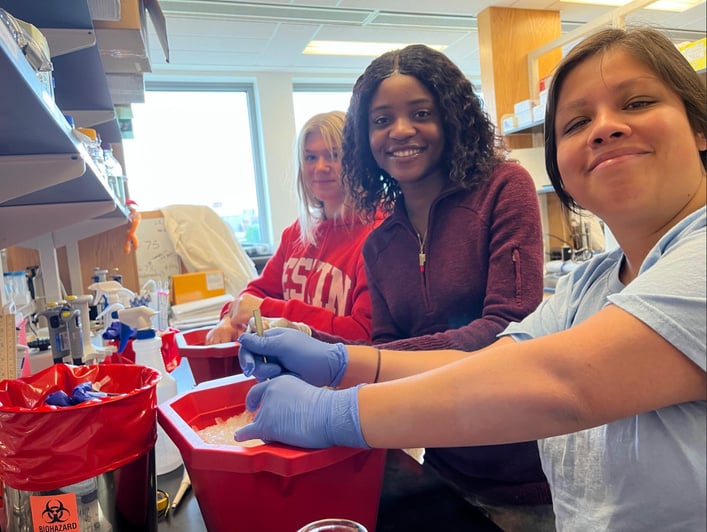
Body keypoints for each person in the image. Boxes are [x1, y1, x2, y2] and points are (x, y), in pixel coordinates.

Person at [234, 26, 707, 531]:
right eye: (576, 122)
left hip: (519, 481)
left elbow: (559, 383)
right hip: (448, 465)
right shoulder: (587, 285)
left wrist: (335, 411)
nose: (604, 129)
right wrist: (336, 358)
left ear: (700, 125)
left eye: (636, 103)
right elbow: (498, 357)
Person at [304, 44, 550, 530]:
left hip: (526, 480)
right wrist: (317, 349)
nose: (400, 131)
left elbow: (508, 328)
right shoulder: (379, 245)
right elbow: (390, 352)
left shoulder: (505, 187)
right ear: (363, 137)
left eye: (421, 113)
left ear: (453, 119)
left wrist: (346, 363)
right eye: (380, 120)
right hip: (440, 468)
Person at [205, 111, 381, 345]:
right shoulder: (297, 233)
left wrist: (267, 310)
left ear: (357, 161)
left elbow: (363, 334)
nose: (320, 167)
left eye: (334, 155)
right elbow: (253, 296)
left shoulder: (379, 235)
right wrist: (228, 319)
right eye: (310, 157)